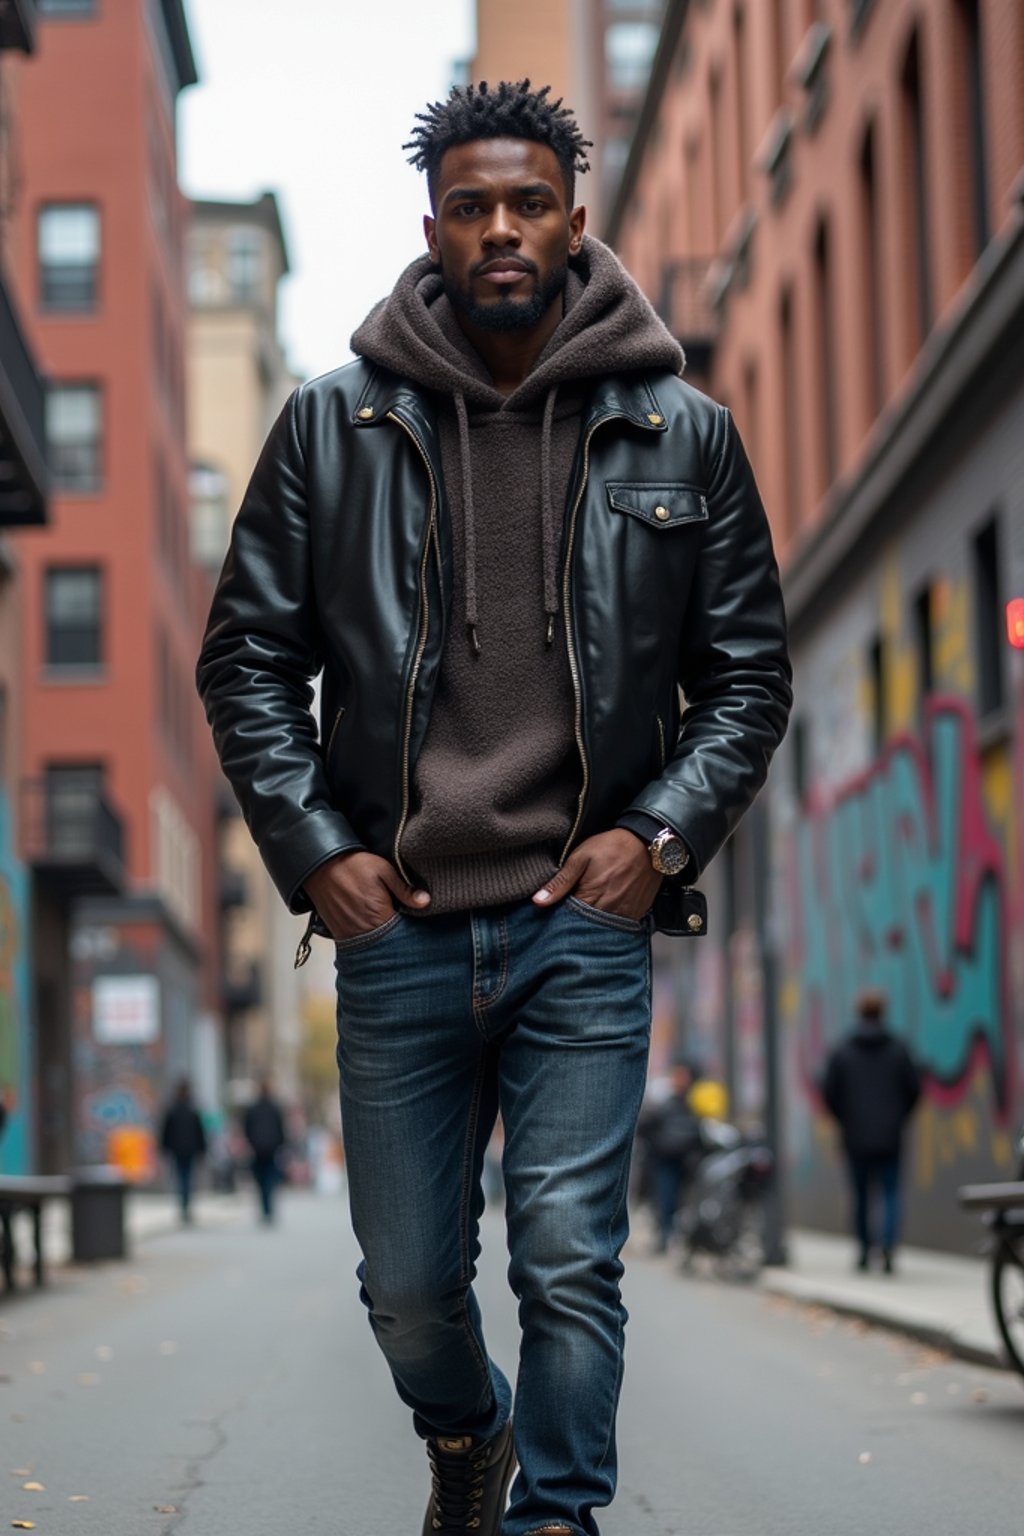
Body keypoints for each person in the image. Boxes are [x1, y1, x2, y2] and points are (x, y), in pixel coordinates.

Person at [197, 80, 791, 1536]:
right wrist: (315, 848)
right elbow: (246, 659)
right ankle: (470, 1433)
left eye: (529, 203)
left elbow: (750, 678)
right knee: (405, 1279)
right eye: (474, 207)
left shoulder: (683, 433)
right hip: (396, 922)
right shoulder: (328, 428)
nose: (503, 229)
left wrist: (655, 840)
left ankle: (556, 1520)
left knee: (570, 1256)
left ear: (576, 221)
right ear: (434, 230)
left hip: (578, 921)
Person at [822, 988, 922, 1274]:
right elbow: (914, 1090)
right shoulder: (898, 1049)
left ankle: (866, 1250)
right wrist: (897, 1117)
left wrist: (845, 1119)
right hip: (890, 1136)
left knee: (861, 1195)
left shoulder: (842, 1050)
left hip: (855, 1137)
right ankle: (888, 1247)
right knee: (890, 1193)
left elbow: (830, 1093)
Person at [637, 1059, 702, 1253]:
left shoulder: (696, 1103)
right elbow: (647, 1126)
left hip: (688, 1161)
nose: (679, 1080)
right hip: (665, 1161)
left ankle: (679, 1236)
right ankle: (665, 1235)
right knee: (665, 1198)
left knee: (682, 1200)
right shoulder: (666, 1104)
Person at [159, 1078, 207, 1223]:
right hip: (190, 1149)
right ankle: (186, 1205)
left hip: (177, 1149)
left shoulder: (172, 1109)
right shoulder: (193, 1110)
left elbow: (166, 1131)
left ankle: (184, 1205)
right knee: (187, 1177)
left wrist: (164, 1148)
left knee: (181, 1177)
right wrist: (202, 1149)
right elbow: (200, 1132)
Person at [243, 1079, 287, 1223]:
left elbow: (247, 1128)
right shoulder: (275, 1108)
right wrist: (281, 1144)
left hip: (257, 1149)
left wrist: (251, 1142)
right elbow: (280, 1129)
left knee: (261, 1180)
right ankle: (268, 1209)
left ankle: (265, 1208)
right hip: (271, 1149)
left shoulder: (253, 1108)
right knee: (269, 1179)